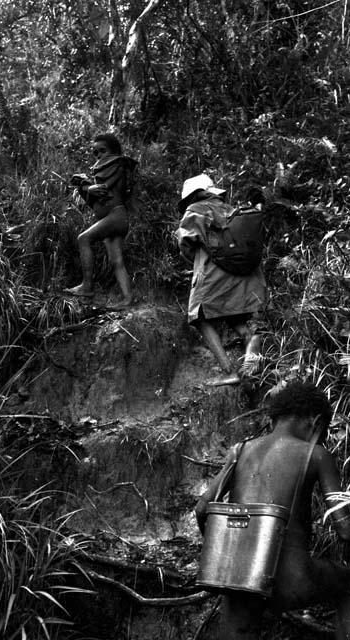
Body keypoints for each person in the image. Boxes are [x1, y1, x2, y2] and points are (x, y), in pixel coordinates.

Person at [195, 381, 350, 640]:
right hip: (291, 579)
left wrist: (223, 551)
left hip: (240, 579)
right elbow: (344, 528)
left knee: (239, 625)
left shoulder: (240, 450)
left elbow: (202, 509)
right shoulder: (316, 454)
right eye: (321, 431)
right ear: (315, 421)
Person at [176, 173, 268, 385]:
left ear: (191, 195)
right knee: (236, 315)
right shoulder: (232, 210)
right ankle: (252, 353)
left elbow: (186, 246)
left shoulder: (195, 210)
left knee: (198, 316)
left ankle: (230, 371)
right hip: (247, 276)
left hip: (213, 273)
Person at [65, 133, 137, 309]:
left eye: (102, 151)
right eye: (95, 153)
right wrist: (87, 187)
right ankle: (128, 299)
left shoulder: (118, 165)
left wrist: (90, 187)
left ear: (113, 151)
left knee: (83, 239)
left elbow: (103, 188)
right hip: (111, 219)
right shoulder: (105, 170)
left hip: (115, 216)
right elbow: (93, 192)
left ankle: (87, 286)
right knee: (116, 260)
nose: (98, 156)